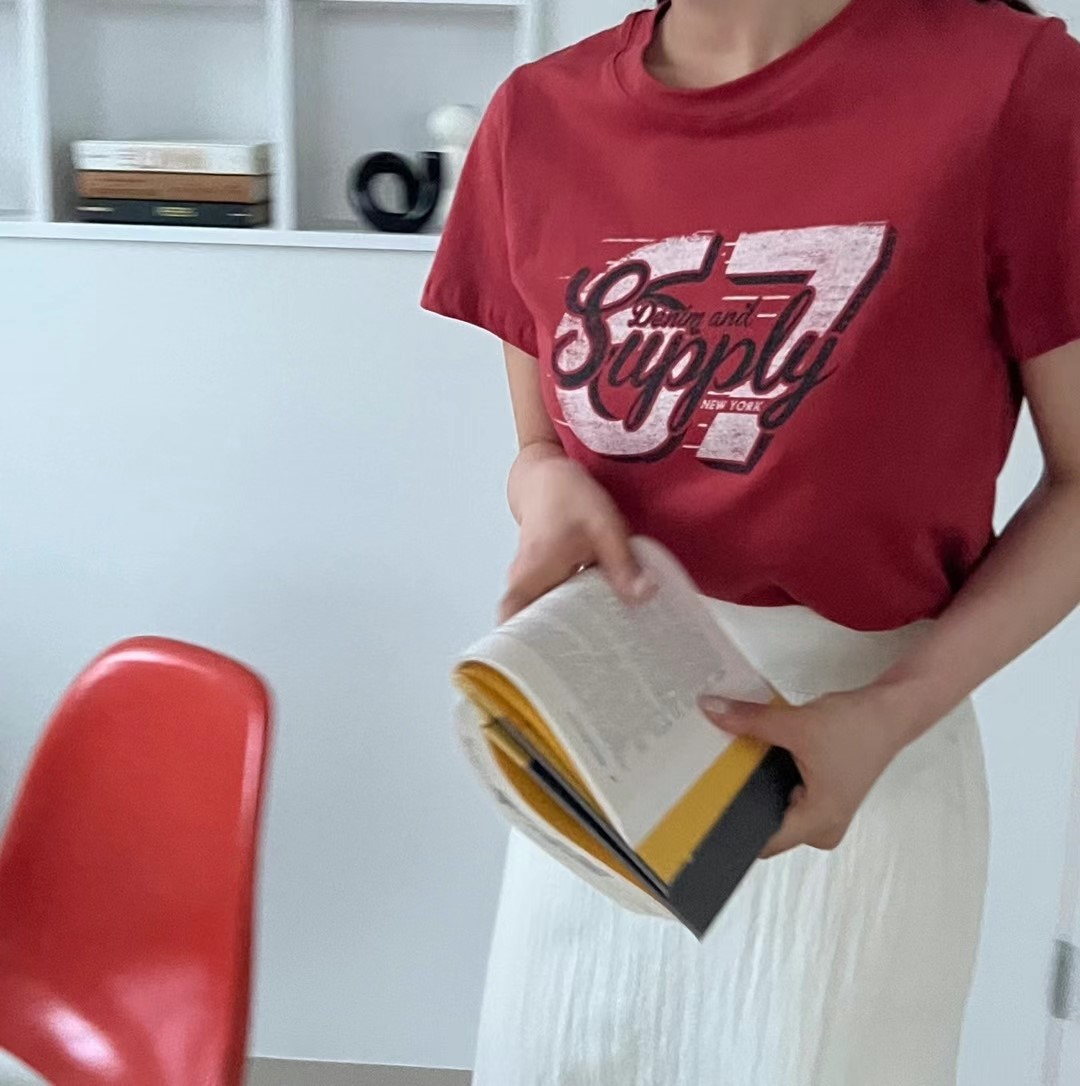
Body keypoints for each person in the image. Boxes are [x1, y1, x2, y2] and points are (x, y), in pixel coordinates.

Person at [421, 0, 1080, 1082]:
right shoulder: (536, 117)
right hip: (603, 756)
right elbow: (539, 447)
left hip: (857, 768)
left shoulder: (1012, 88)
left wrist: (888, 713)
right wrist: (542, 488)